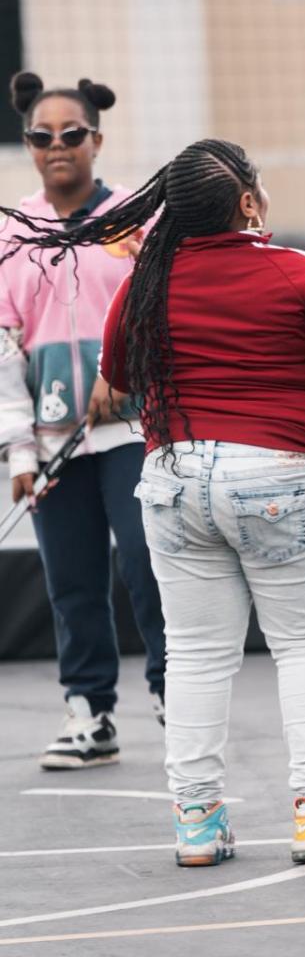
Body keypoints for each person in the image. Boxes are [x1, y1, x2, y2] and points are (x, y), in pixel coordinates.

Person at [3, 135, 305, 866]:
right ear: (247, 201)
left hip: (174, 479)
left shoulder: (147, 284)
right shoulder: (302, 275)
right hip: (278, 474)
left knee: (196, 657)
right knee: (304, 644)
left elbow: (116, 376)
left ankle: (198, 824)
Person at [0, 71, 165, 770]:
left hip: (132, 430)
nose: (57, 146)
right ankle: (90, 713)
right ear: (28, 144)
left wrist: (120, 373)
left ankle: (173, 695)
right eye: (42, 136)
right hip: (54, 440)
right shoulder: (12, 232)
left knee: (147, 562)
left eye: (72, 134)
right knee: (71, 579)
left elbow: (163, 315)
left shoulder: (139, 217)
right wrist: (19, 452)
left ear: (96, 139)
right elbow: (5, 346)